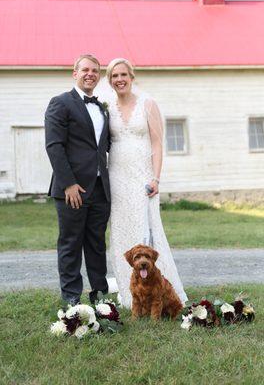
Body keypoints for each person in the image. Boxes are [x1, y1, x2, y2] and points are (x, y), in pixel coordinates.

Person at [106, 58, 188, 308]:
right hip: (117, 177)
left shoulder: (148, 104)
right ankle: (129, 292)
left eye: (123, 74)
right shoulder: (107, 106)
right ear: (110, 81)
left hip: (143, 178)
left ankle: (159, 292)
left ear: (132, 77)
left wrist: (156, 177)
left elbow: (156, 143)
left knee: (147, 231)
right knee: (121, 232)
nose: (119, 79)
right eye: (114, 76)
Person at [45, 54, 111, 306]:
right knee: (71, 243)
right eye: (85, 69)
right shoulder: (60, 103)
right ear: (75, 73)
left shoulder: (101, 107)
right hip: (73, 188)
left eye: (95, 70)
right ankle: (72, 297)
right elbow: (54, 146)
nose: (90, 74)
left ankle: (100, 294)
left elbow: (104, 146)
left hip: (100, 189)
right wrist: (68, 184)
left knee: (96, 243)